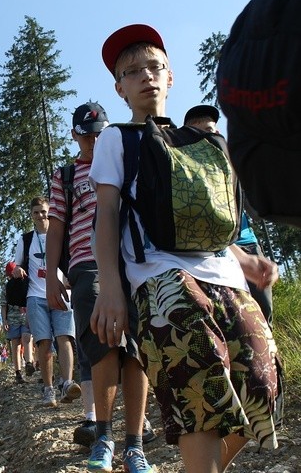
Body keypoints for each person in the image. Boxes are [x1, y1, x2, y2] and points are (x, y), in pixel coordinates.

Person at [91, 24, 280, 473]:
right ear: (119, 88)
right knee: (200, 388)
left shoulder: (200, 143)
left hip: (225, 276)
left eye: (155, 67)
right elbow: (108, 214)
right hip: (160, 278)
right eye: (132, 71)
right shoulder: (117, 139)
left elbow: (207, 217)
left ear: (170, 76)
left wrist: (245, 259)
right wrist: (111, 287)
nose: (146, 76)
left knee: (262, 388)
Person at [46, 102, 155, 462]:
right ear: (75, 135)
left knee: (137, 346)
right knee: (102, 341)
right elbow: (57, 227)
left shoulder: (125, 163)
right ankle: (104, 437)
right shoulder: (65, 177)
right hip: (85, 265)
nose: (93, 141)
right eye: (86, 135)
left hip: (132, 263)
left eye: (99, 134)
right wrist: (50, 278)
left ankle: (135, 442)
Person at [183, 104, 278, 327]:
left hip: (247, 244)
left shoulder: (235, 163)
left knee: (263, 310)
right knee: (229, 317)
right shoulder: (185, 172)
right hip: (212, 253)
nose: (212, 134)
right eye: (204, 131)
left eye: (213, 129)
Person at [11, 197, 81, 407]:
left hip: (61, 294)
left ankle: (67, 383)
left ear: (50, 213)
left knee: (65, 337)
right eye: (36, 213)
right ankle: (48, 389)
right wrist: (16, 270)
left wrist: (70, 278)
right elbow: (15, 264)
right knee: (44, 342)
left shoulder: (62, 235)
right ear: (31, 216)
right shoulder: (26, 239)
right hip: (35, 296)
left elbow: (72, 258)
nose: (41, 216)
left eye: (44, 212)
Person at [2, 261, 35, 384]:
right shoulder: (19, 284)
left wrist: (5, 319)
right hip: (18, 317)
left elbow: (3, 306)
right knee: (23, 342)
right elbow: (4, 305)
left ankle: (26, 366)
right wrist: (4, 320)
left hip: (18, 317)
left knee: (21, 342)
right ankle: (24, 367)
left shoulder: (19, 284)